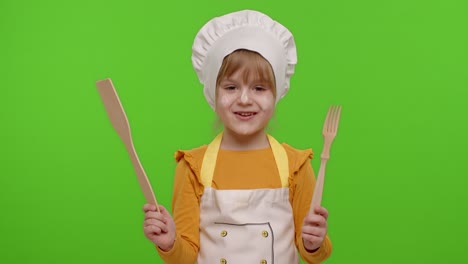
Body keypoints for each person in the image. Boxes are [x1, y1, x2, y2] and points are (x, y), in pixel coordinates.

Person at [142, 10, 332, 263]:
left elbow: (314, 254)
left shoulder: (295, 165)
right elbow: (185, 257)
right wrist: (170, 243)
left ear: (276, 95)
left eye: (259, 88)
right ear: (213, 93)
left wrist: (314, 242)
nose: (244, 99)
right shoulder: (193, 167)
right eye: (231, 87)